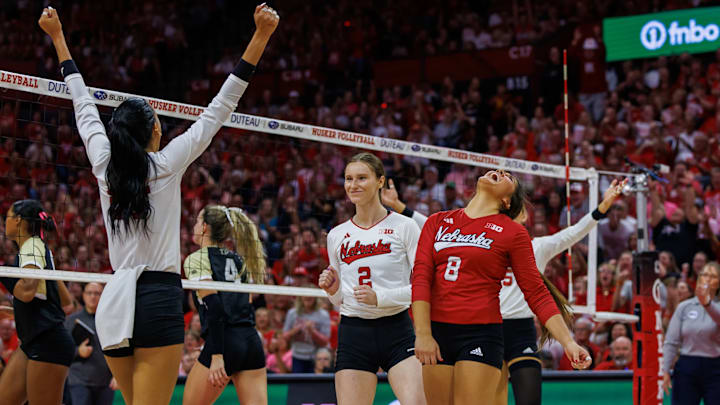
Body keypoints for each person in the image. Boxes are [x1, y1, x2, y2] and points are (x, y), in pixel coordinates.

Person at [38, 5, 278, 404]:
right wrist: (261, 37)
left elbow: (83, 106)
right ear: (154, 129)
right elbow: (220, 107)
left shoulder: (103, 163)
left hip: (115, 300)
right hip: (157, 299)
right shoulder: (165, 164)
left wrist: (57, 36)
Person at [384, 177, 627, 405]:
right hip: (437, 332)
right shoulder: (437, 221)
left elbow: (537, 292)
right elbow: (421, 279)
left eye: (506, 176)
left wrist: (568, 342)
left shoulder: (515, 235)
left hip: (484, 332)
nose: (499, 172)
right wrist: (423, 334)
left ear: (507, 201)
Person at [318, 152, 426, 405]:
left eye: (361, 178)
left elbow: (424, 286)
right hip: (354, 333)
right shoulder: (336, 235)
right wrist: (332, 290)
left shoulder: (404, 227)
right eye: (348, 178)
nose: (353, 185)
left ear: (380, 181)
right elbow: (340, 300)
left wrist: (381, 298)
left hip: (397, 330)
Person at [182, 206, 268, 405]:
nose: (194, 226)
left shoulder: (198, 258)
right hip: (250, 342)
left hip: (225, 344)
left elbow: (215, 306)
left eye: (196, 221)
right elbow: (243, 303)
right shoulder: (239, 260)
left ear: (204, 228)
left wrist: (217, 353)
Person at [0, 199, 75, 405]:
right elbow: (67, 302)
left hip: (48, 342)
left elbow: (26, 291)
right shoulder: (40, 249)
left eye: (6, 218)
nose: (4, 223)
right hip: (33, 341)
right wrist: (18, 309)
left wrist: (3, 274)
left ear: (18, 221)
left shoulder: (31, 246)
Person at [663, 262, 720, 404]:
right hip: (687, 365)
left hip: (716, 367)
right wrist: (664, 370)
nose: (707, 279)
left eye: (713, 276)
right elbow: (671, 341)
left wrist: (707, 303)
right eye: (704, 275)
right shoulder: (684, 307)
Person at [64, 282, 115, 405]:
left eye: (97, 293)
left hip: (106, 382)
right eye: (89, 293)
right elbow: (62, 351)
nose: (93, 296)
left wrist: (117, 375)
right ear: (83, 295)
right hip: (79, 381)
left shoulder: (112, 320)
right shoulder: (71, 321)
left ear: (103, 295)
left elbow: (118, 349)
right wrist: (78, 351)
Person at [282, 295, 331, 373]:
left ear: (315, 298)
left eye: (310, 295)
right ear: (300, 298)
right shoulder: (292, 313)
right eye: (305, 295)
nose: (308, 297)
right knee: (298, 383)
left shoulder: (323, 314)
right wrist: (294, 331)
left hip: (316, 356)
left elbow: (325, 342)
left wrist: (312, 331)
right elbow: (284, 337)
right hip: (297, 355)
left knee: (315, 383)